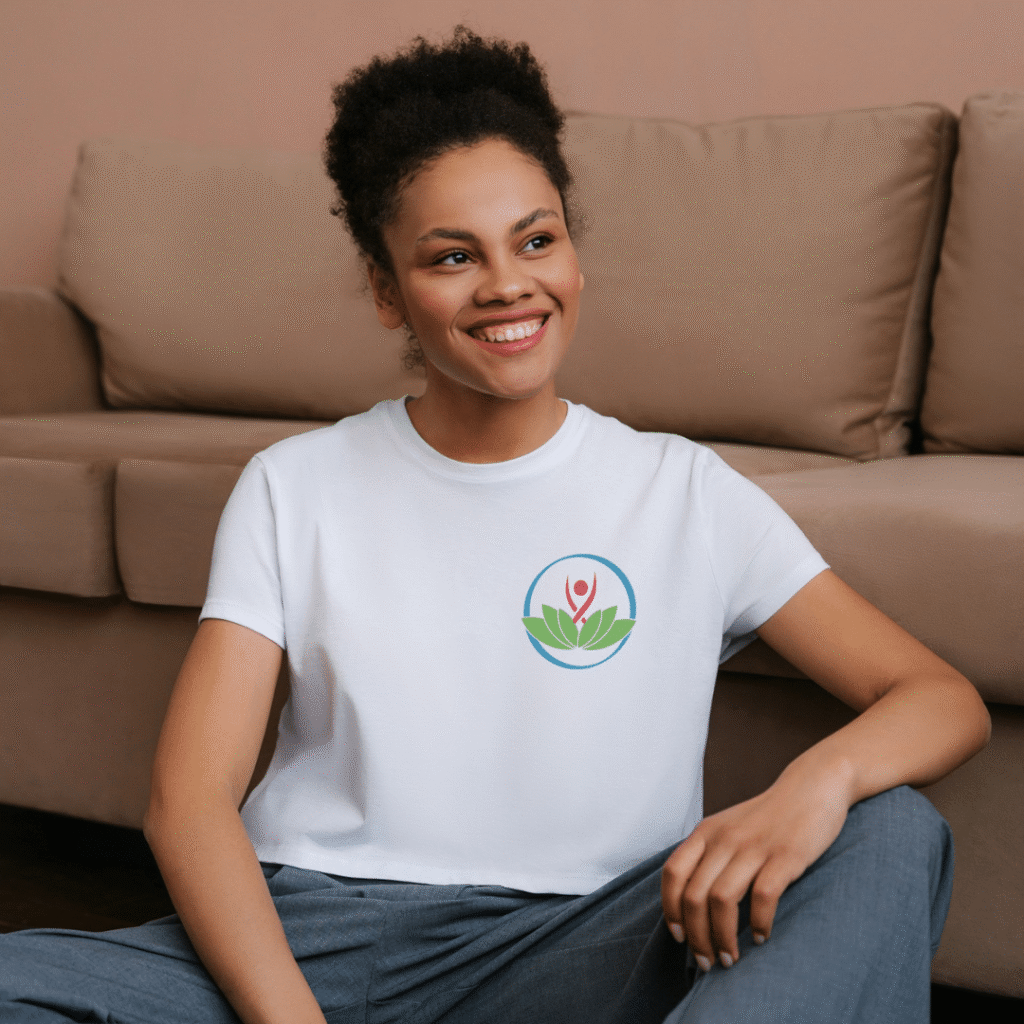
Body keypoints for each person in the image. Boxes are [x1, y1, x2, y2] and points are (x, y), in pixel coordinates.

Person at [1, 26, 990, 1024]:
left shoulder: (685, 491)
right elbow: (189, 798)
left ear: (572, 253)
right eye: (451, 256)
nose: (506, 283)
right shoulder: (291, 486)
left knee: (890, 834)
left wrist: (811, 785)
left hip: (579, 948)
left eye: (536, 238)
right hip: (312, 941)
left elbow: (937, 697)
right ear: (387, 291)